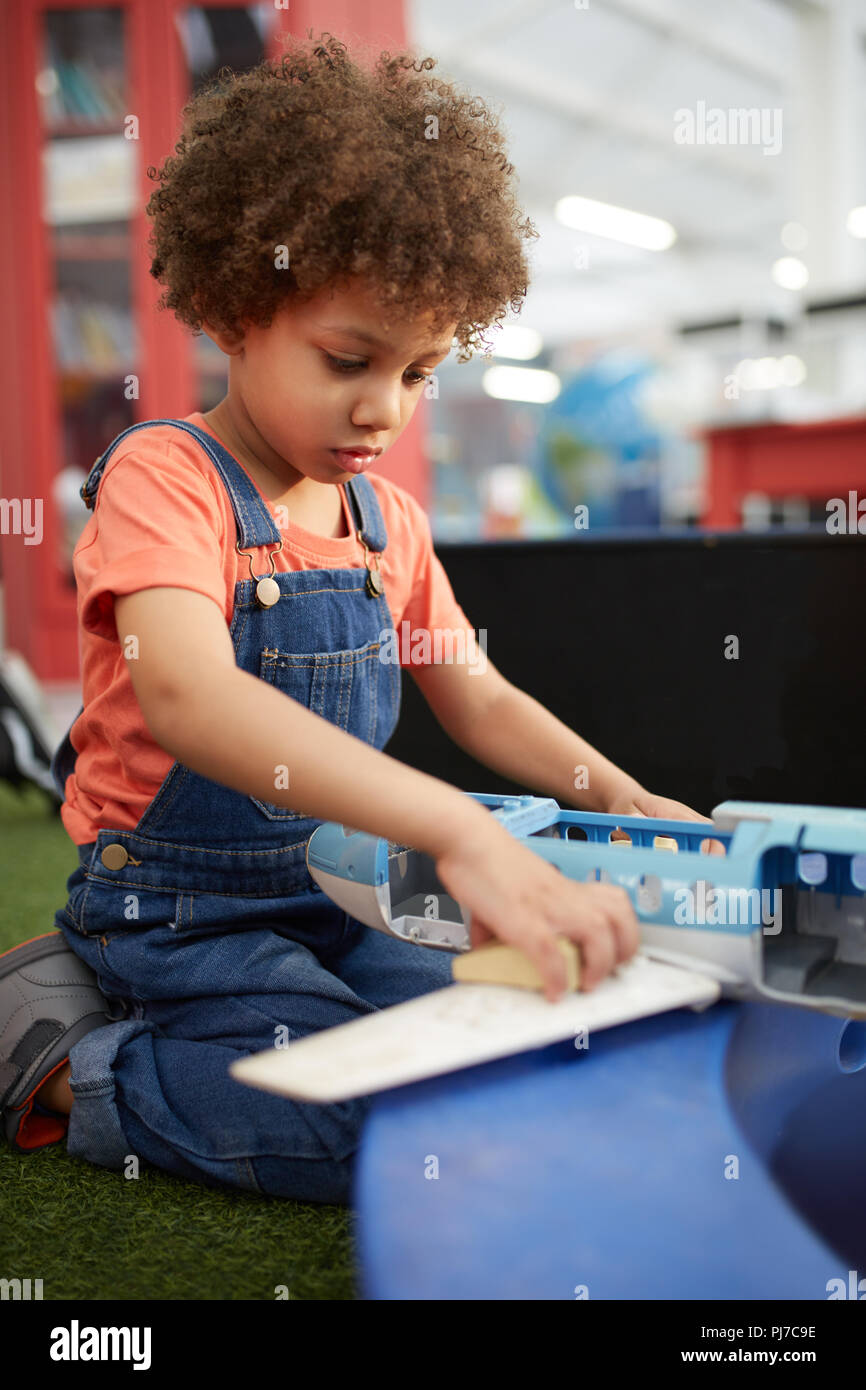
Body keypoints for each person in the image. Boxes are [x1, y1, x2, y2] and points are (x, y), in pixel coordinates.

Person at [0, 33, 720, 1202]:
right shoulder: (165, 477)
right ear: (238, 311)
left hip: (337, 893)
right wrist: (463, 832)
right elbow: (187, 694)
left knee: (504, 1050)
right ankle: (63, 1054)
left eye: (421, 370)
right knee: (367, 1133)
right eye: (349, 358)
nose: (384, 407)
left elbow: (475, 692)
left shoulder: (386, 519)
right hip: (175, 908)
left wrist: (625, 798)